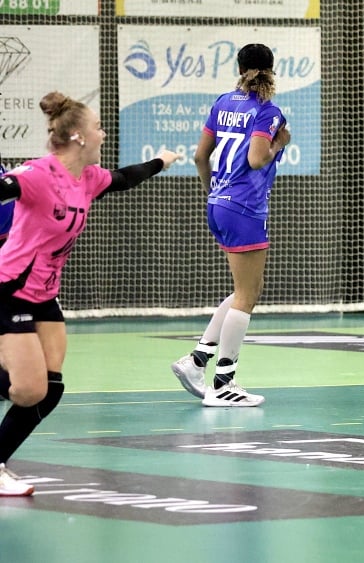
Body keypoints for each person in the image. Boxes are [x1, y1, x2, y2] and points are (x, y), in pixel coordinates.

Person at [0, 91, 179, 496]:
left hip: (44, 294)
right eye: (98, 128)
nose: (102, 134)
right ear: (79, 136)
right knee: (29, 391)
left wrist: (161, 162)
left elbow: (124, 178)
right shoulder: (37, 174)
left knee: (51, 388)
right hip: (10, 288)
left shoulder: (89, 178)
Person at [171, 43, 290, 408]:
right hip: (244, 206)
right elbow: (256, 159)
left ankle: (196, 361)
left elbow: (199, 156)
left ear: (239, 68)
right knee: (247, 294)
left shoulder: (223, 102)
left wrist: (212, 190)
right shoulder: (268, 112)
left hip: (219, 203)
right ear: (272, 69)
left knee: (245, 290)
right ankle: (223, 382)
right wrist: (279, 143)